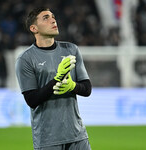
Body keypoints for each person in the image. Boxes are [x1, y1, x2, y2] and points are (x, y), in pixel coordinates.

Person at [15, 7, 92, 150]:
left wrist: (72, 86)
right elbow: (32, 100)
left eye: (53, 16)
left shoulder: (71, 49)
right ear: (34, 28)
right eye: (46, 18)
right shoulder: (25, 59)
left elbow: (87, 89)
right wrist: (58, 78)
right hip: (48, 140)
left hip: (78, 136)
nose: (53, 20)